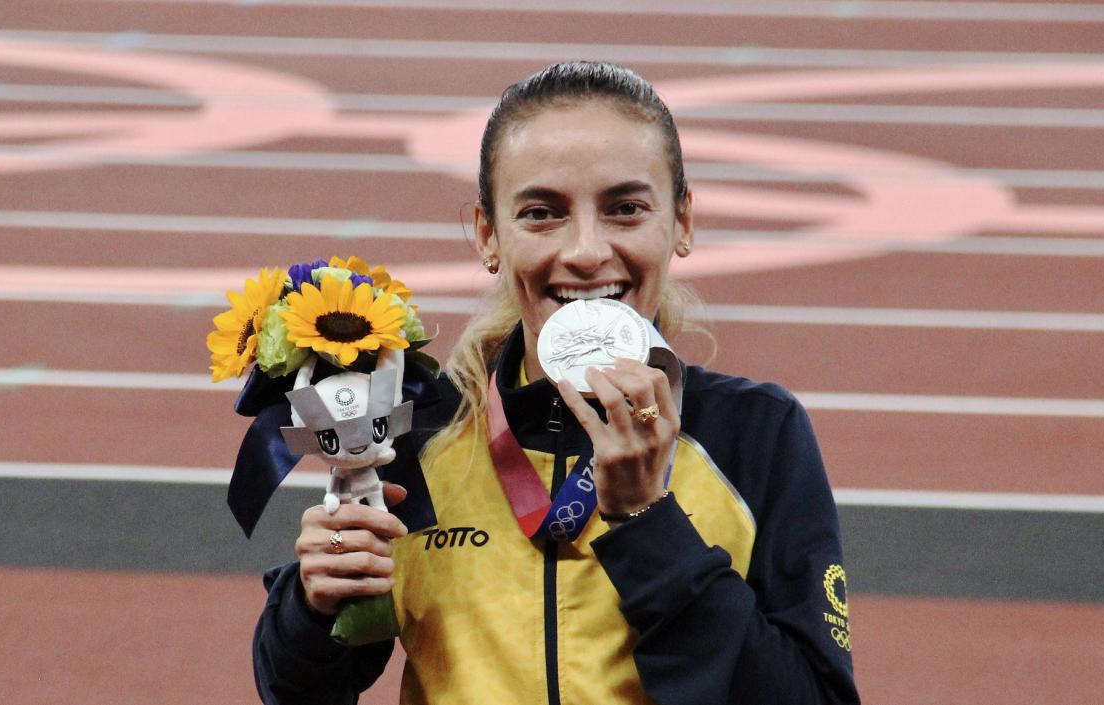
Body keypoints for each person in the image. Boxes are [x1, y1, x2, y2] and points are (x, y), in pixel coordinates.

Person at [252, 61, 860, 705]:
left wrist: (650, 524)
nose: (586, 252)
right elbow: (297, 691)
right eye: (542, 214)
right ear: (489, 235)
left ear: (681, 222)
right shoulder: (414, 428)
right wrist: (313, 610)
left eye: (626, 209)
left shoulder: (754, 433)